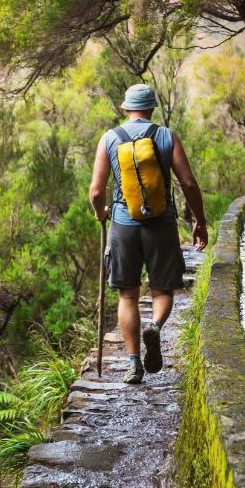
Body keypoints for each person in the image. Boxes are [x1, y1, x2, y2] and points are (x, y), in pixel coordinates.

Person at [89, 83, 208, 384]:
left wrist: (101, 212)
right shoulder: (167, 136)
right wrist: (200, 221)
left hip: (122, 225)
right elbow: (190, 184)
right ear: (152, 107)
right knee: (163, 289)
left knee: (127, 295)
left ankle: (133, 365)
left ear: (126, 108)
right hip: (161, 223)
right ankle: (154, 326)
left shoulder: (110, 138)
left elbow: (95, 191)